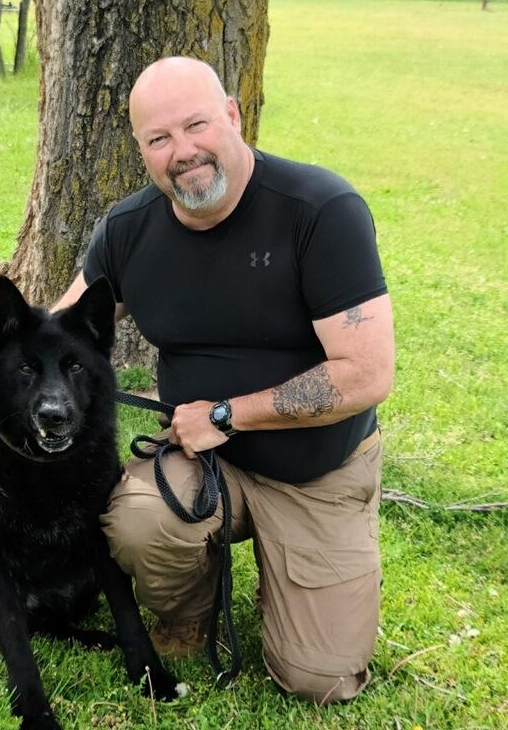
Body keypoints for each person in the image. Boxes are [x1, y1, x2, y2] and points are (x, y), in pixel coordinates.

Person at [53, 56, 395, 704]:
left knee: (319, 679)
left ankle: (299, 580)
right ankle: (187, 615)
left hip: (317, 469)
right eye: (160, 139)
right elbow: (62, 334)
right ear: (142, 150)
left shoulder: (321, 210)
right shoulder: (127, 231)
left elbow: (367, 374)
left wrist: (225, 414)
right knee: (139, 521)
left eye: (196, 125)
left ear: (233, 116)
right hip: (203, 463)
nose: (183, 152)